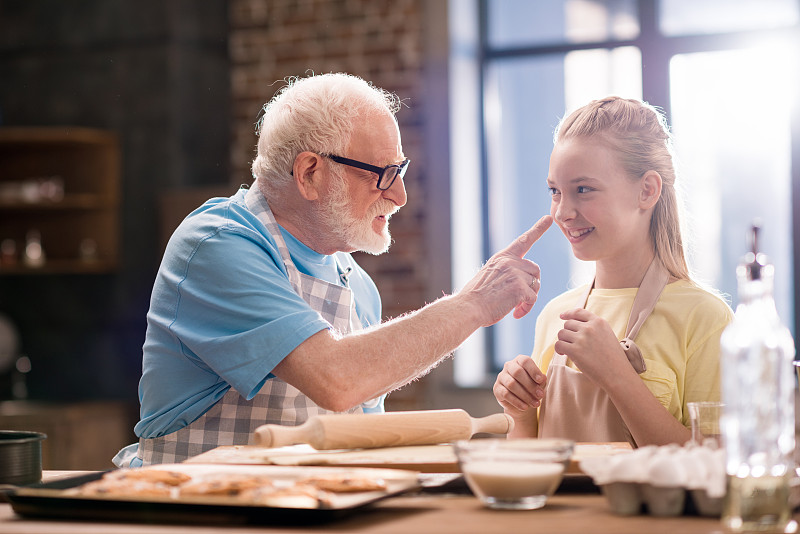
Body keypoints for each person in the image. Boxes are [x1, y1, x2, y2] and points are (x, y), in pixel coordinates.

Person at [114, 72, 552, 467]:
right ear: (309, 173)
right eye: (382, 174)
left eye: (399, 170)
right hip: (189, 512)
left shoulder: (355, 284)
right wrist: (474, 304)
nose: (399, 195)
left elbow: (357, 441)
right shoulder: (216, 246)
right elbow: (336, 378)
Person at [493, 96, 734, 447]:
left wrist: (618, 376)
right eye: (555, 191)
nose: (562, 211)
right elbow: (530, 466)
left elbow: (715, 471)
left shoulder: (706, 319)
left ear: (647, 190)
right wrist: (520, 414)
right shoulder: (553, 317)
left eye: (583, 190)